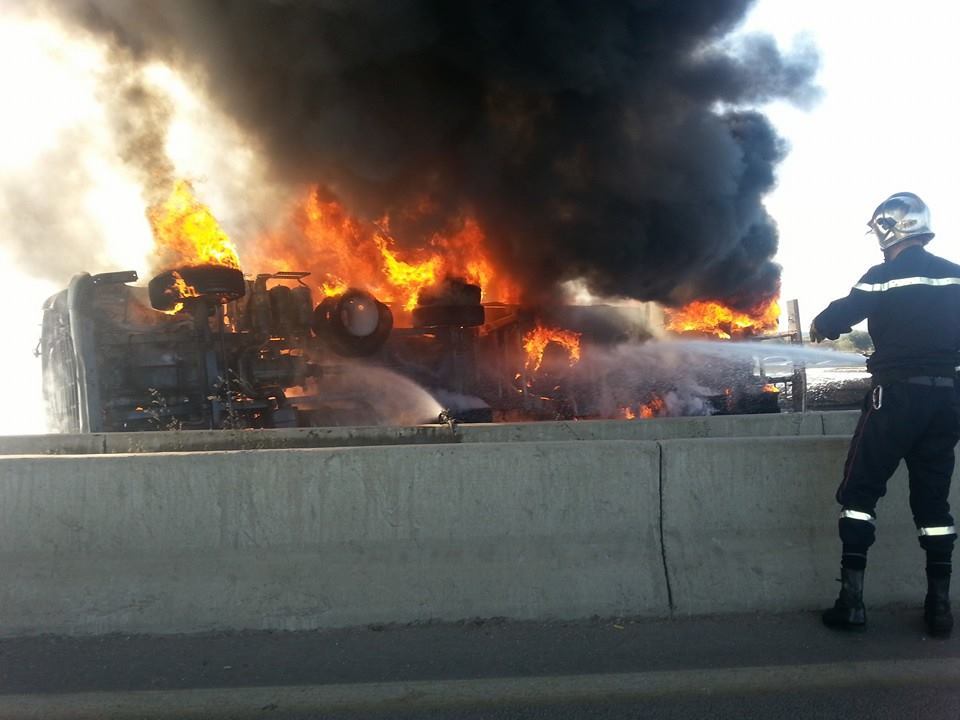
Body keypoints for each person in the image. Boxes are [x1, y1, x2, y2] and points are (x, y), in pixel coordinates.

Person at [809, 191, 958, 636]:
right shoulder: (955, 276)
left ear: (890, 229)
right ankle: (939, 610)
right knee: (933, 503)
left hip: (896, 398)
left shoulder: (884, 275)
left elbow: (843, 314)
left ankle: (851, 604)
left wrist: (821, 325)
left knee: (860, 495)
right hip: (948, 399)